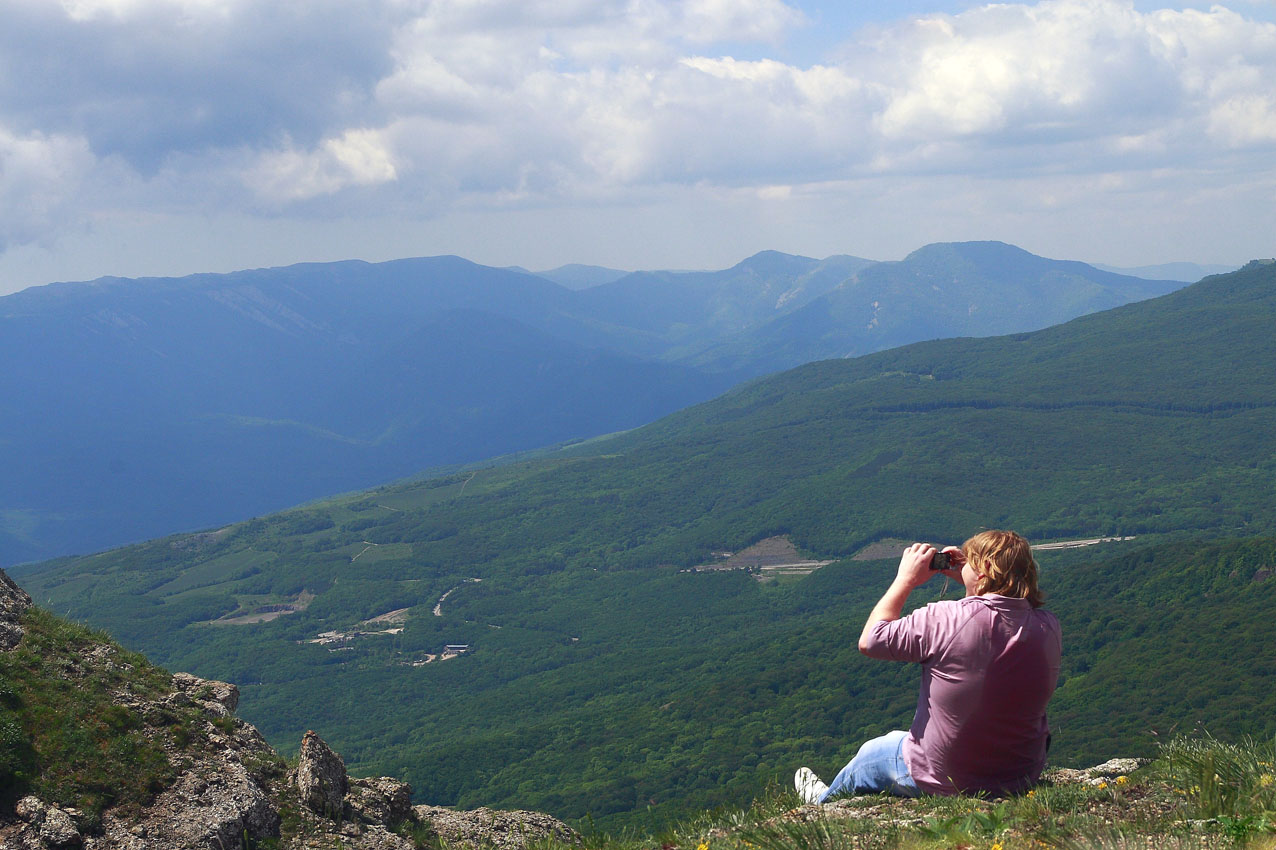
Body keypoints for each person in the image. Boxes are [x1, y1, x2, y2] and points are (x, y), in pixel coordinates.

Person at [795, 530, 1062, 802]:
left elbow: (871, 640)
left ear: (983, 572)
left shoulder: (946, 617)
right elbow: (1000, 613)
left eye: (971, 561)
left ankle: (820, 804)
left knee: (873, 752)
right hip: (1019, 775)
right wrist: (969, 577)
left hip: (947, 776)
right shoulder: (1048, 626)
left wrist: (906, 579)